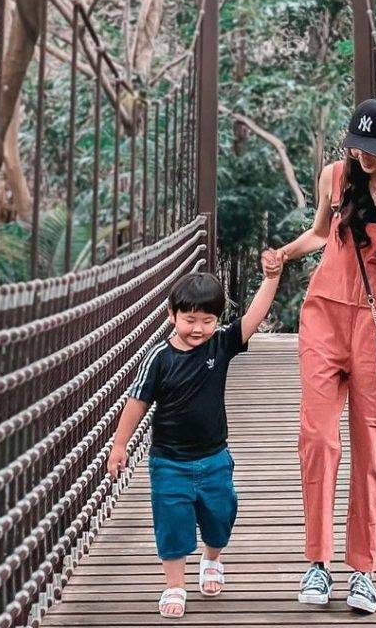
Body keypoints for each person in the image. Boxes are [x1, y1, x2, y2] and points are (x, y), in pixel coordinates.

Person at [264, 97, 376, 615]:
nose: (363, 156)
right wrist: (284, 255)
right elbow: (321, 233)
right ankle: (316, 564)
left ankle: (362, 570)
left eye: (373, 148)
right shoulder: (336, 176)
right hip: (323, 316)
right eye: (357, 146)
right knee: (317, 438)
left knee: (375, 444)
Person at [108, 263, 281, 618]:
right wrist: (120, 444)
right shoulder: (159, 358)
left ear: (217, 320)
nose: (198, 328)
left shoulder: (220, 345)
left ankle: (212, 559)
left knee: (221, 517)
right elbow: (137, 401)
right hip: (168, 461)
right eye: (189, 319)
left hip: (214, 457)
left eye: (207, 320)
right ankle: (175, 585)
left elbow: (254, 316)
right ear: (172, 315)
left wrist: (271, 278)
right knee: (172, 523)